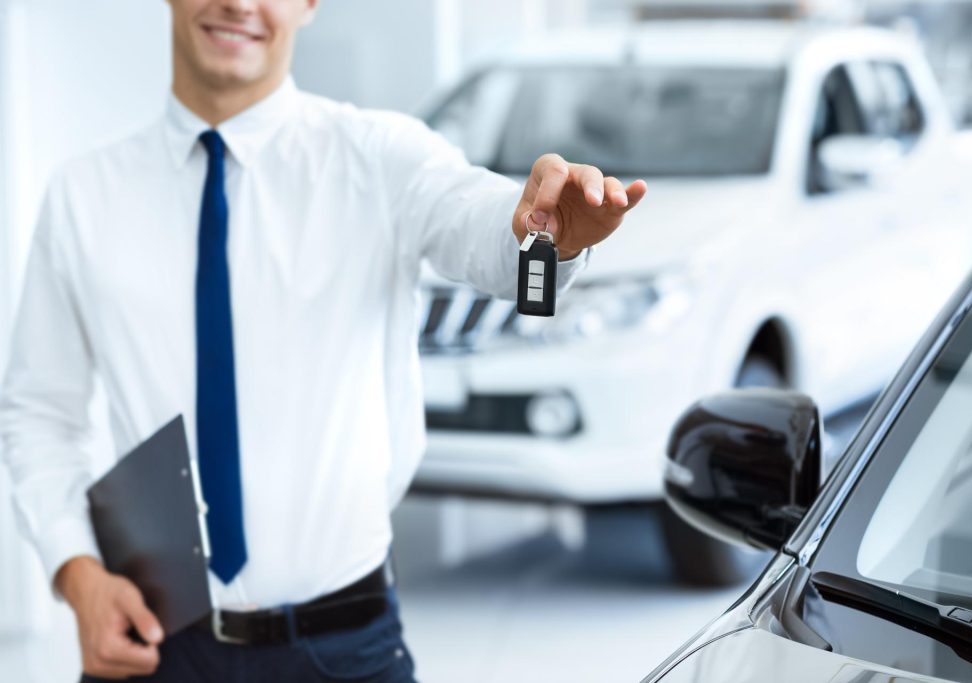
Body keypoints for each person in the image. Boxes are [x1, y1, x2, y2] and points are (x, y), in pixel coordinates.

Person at [0, 0, 647, 681]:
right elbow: (39, 411)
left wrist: (543, 230)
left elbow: (476, 220)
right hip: (152, 644)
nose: (239, 4)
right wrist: (78, 575)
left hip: (344, 650)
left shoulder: (381, 156)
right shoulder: (83, 196)